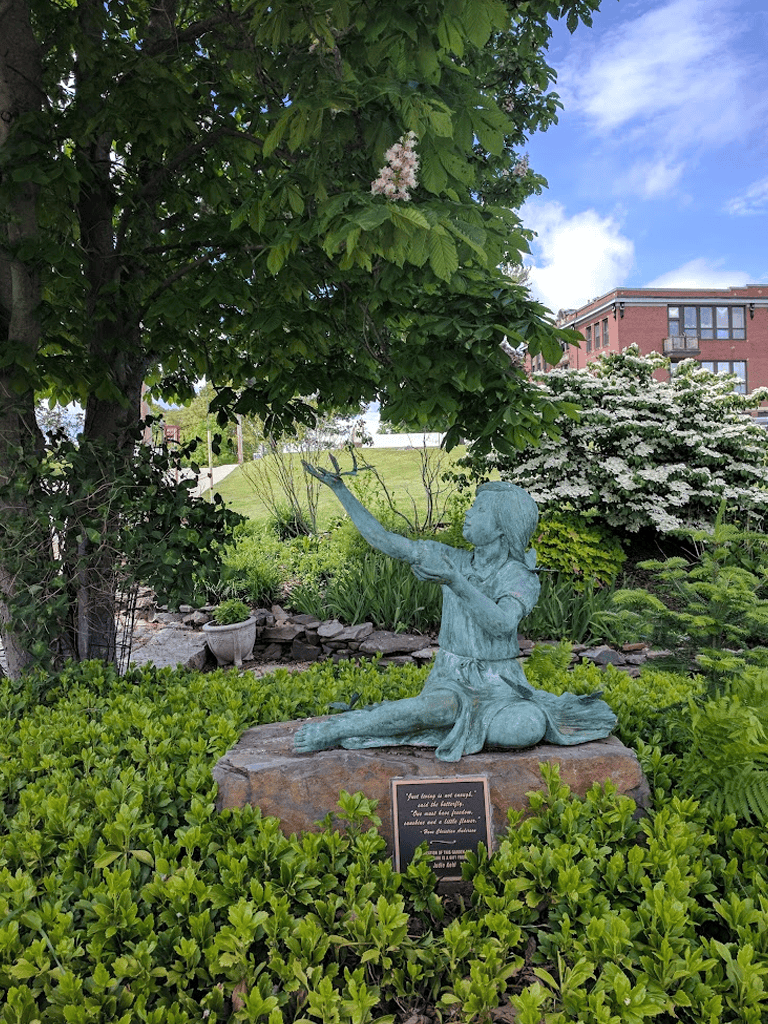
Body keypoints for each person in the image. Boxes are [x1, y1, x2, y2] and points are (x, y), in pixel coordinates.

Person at [294, 460, 616, 762]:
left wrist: (454, 580)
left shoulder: (518, 577)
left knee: (526, 727)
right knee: (439, 708)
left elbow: (502, 625)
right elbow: (386, 541)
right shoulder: (454, 560)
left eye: (478, 510)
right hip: (452, 675)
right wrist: (340, 490)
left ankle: (447, 725)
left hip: (501, 683)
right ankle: (340, 728)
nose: (469, 513)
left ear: (502, 526)